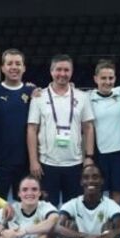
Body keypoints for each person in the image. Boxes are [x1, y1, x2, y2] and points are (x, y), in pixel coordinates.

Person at [27, 54, 96, 206]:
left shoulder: (82, 97)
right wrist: (33, 160)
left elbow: (88, 127)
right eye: (58, 69)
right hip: (46, 164)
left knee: (73, 211)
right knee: (47, 210)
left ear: (71, 72)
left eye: (66, 70)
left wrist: (89, 157)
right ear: (51, 71)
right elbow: (32, 129)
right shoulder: (39, 97)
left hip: (75, 163)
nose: (62, 74)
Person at [0, 49, 36, 199]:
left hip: (25, 163)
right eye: (9, 63)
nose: (14, 67)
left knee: (25, 209)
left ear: (24, 67)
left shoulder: (32, 92)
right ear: (2, 68)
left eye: (18, 63)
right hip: (1, 163)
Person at [87, 60, 120, 205]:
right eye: (103, 78)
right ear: (95, 79)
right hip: (97, 153)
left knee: (117, 191)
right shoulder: (87, 97)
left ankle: (115, 223)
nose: (107, 82)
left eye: (111, 78)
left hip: (118, 153)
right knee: (95, 192)